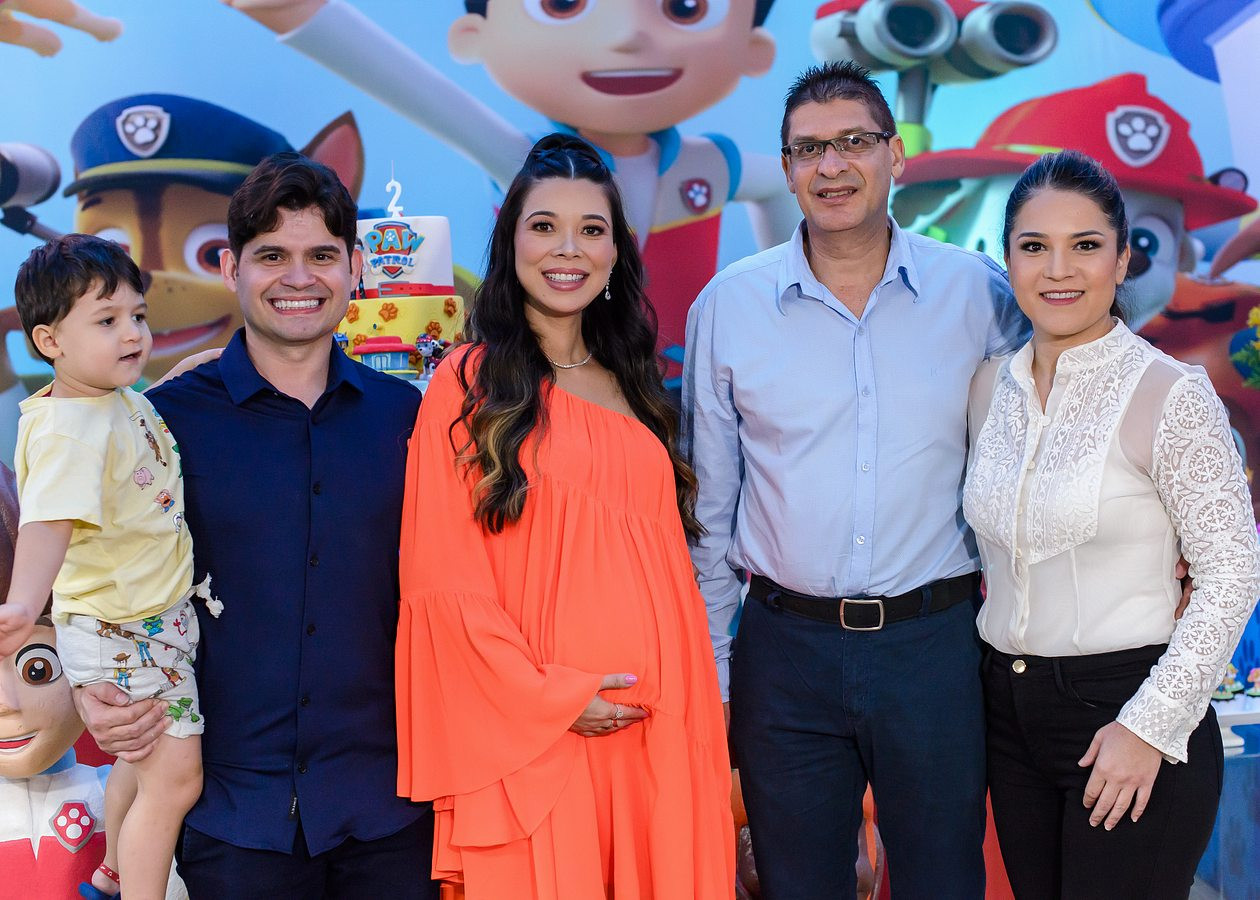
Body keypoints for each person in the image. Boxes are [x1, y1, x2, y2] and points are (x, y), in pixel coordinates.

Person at [683, 61, 1028, 899]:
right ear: (787, 168)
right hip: (784, 653)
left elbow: (1032, 461)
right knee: (798, 885)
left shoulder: (978, 293)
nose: (831, 166)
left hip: (934, 646)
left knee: (944, 881)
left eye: (853, 142)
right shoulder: (729, 307)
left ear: (895, 155)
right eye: (809, 149)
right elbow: (711, 516)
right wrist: (719, 677)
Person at [70, 152, 440, 899]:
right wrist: (90, 687)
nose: (298, 278)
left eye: (321, 256)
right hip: (234, 818)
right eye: (272, 256)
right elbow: (92, 564)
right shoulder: (162, 425)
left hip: (393, 812)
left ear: (356, 268)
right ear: (232, 268)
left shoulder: (411, 420)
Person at [395, 133, 733, 898]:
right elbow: (443, 576)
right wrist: (552, 699)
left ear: (616, 253)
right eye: (544, 226)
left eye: (592, 229)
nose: (567, 249)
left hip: (660, 722)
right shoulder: (469, 382)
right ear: (510, 243)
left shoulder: (638, 385)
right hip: (540, 729)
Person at [964, 149, 1260, 899]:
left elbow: (1232, 571)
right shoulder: (988, 389)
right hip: (1007, 716)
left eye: (1086, 245)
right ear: (1007, 260)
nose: (1059, 270)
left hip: (1129, 709)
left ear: (1124, 259)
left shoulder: (1172, 393)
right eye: (1035, 246)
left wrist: (1149, 726)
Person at [0, 233, 205, 900]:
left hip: (145, 619)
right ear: (49, 341)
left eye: (138, 315)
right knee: (175, 780)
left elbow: (138, 421)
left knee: (141, 764)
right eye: (107, 320)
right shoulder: (68, 433)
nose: (133, 334)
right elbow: (47, 526)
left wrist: (198, 366)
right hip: (124, 628)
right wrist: (23, 603)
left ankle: (112, 869)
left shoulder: (104, 398)